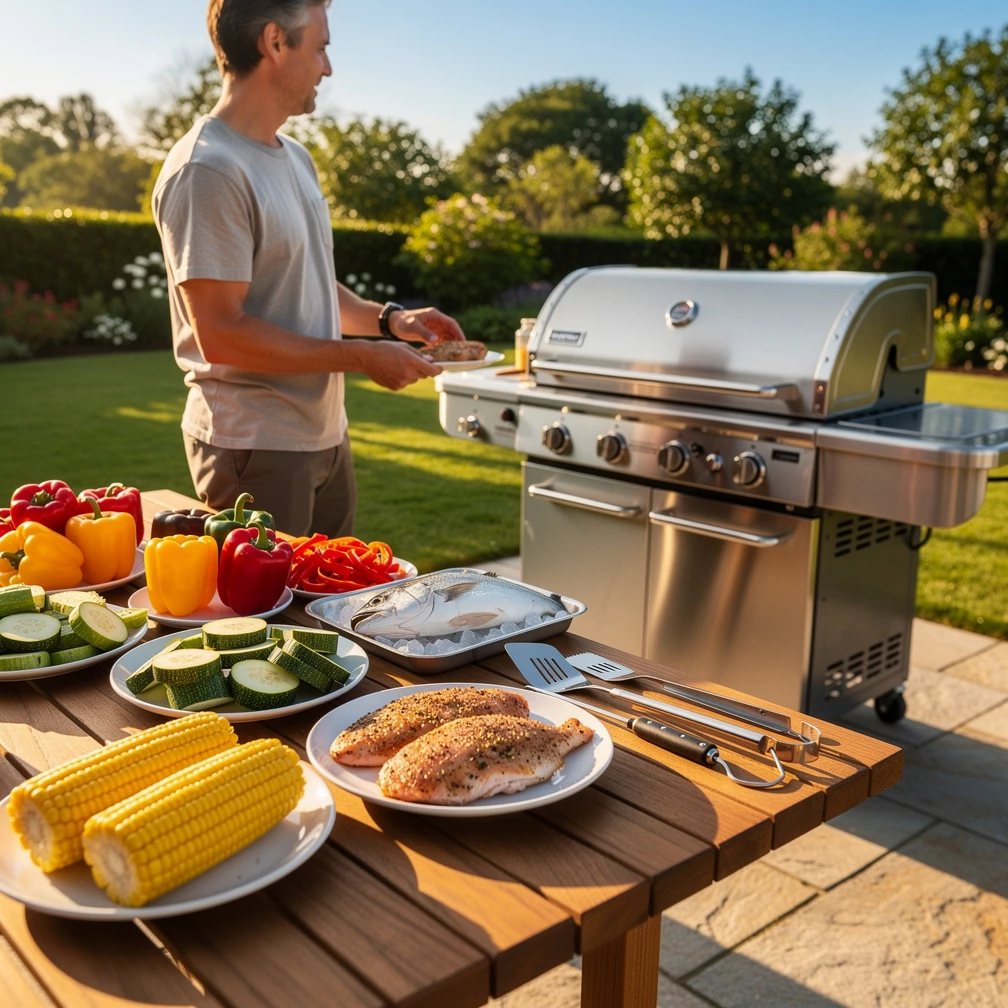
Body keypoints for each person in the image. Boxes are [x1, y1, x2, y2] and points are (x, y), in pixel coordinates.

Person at [152, 0, 465, 538]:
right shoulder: (208, 169)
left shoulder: (295, 157)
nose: (328, 67)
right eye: (320, 48)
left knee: (334, 590)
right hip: (255, 446)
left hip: (324, 436)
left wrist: (392, 321)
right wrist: (363, 356)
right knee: (269, 596)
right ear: (275, 42)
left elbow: (306, 279)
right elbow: (221, 333)